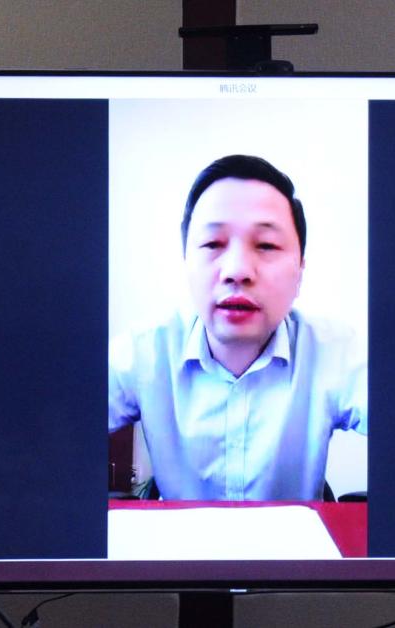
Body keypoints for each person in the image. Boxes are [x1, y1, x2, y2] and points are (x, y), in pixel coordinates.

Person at [108, 155, 367, 500]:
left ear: (300, 271)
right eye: (213, 244)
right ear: (186, 262)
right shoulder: (144, 351)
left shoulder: (335, 352)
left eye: (266, 245)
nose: (237, 270)